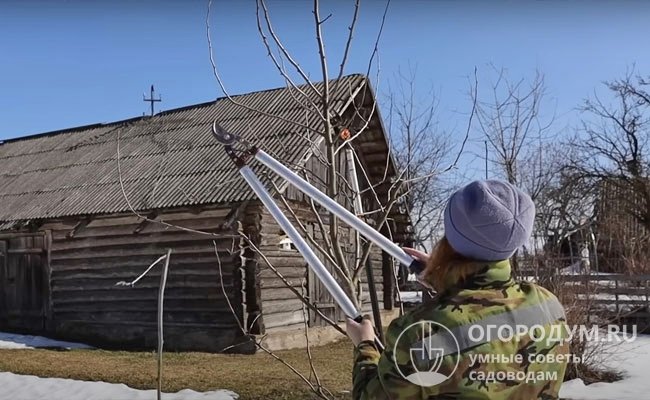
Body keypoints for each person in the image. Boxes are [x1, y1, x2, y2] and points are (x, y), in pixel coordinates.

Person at [346, 180, 569, 400]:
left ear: (450, 238)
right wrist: (445, 280)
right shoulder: (548, 307)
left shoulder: (418, 333)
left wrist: (365, 345)